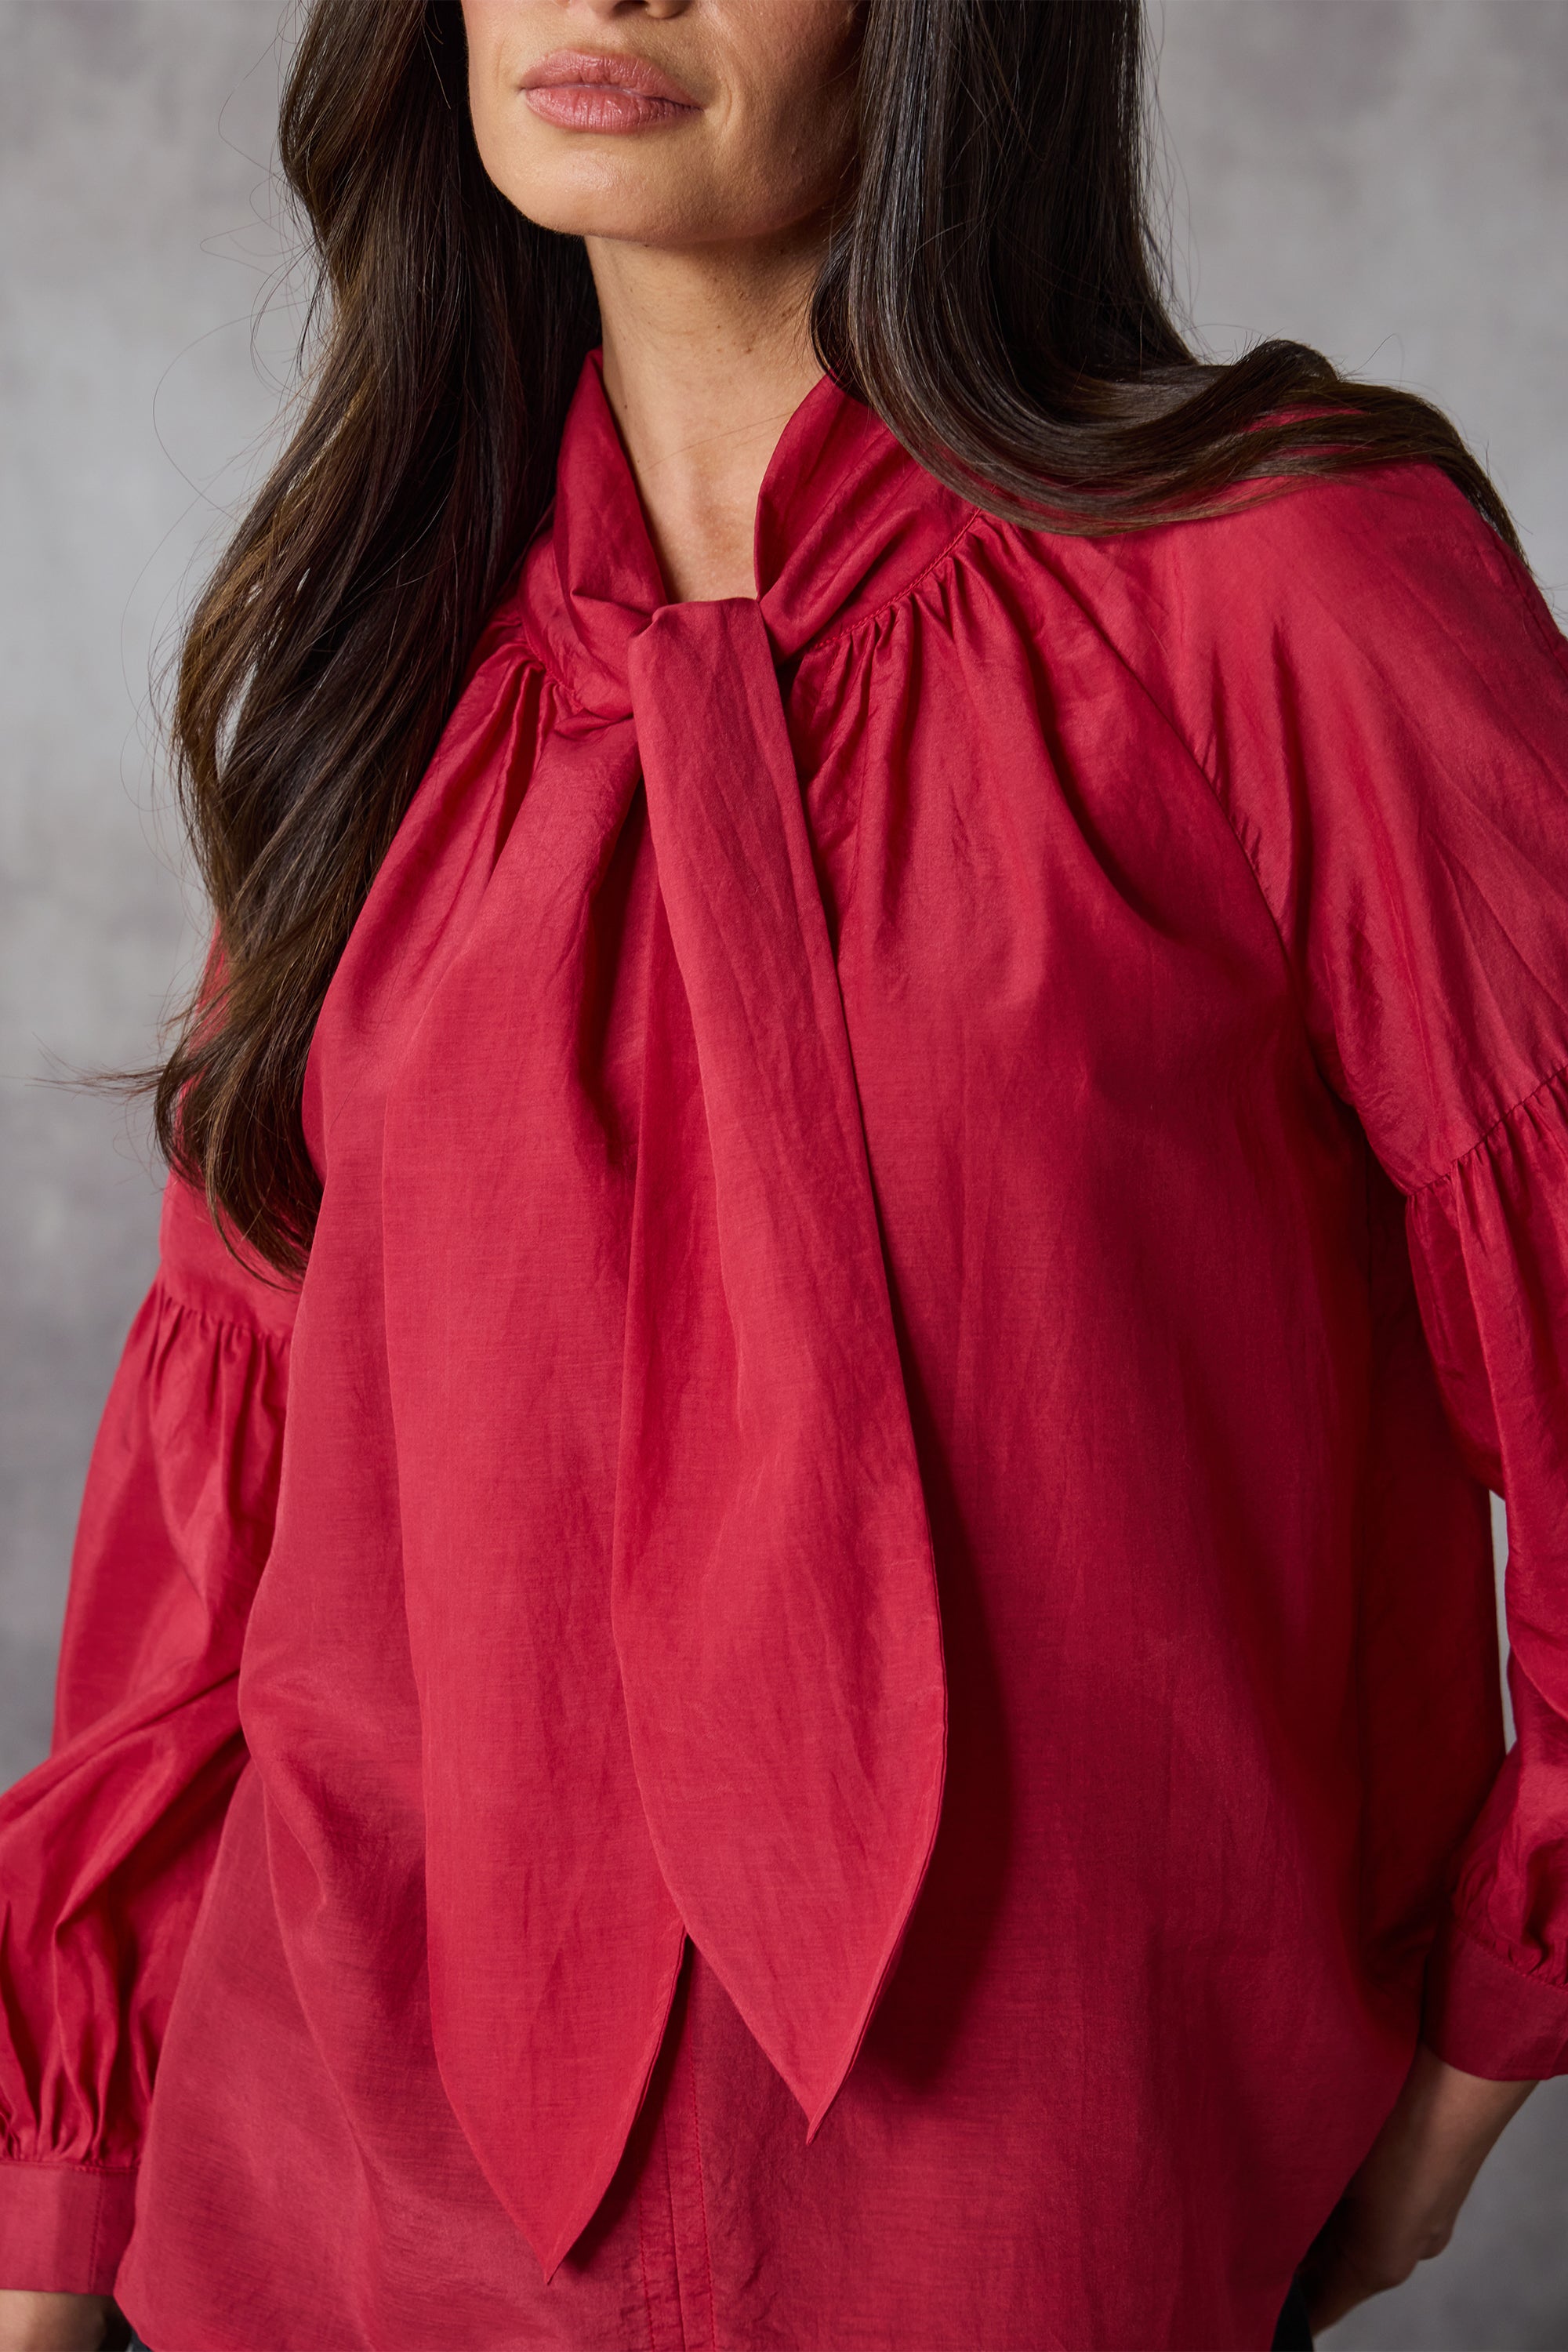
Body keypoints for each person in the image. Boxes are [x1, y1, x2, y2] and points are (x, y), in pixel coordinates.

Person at [2, 1, 1565, 2345]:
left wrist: (1483, 2036)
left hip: (1031, 2241)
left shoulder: (1285, 593)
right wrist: (55, 2207)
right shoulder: (392, 661)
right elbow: (218, 1493)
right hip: (311, 2237)